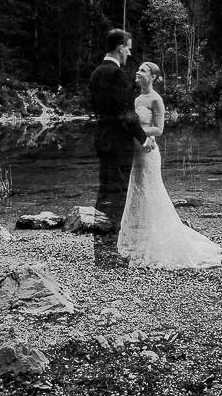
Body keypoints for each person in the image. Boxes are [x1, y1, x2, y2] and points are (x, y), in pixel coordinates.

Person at [118, 61, 222, 269]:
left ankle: (159, 243)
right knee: (137, 194)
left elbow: (158, 129)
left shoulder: (156, 99)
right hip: (136, 152)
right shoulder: (138, 99)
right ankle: (139, 241)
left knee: (151, 193)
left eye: (143, 71)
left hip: (149, 153)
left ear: (153, 77)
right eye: (138, 69)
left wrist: (136, 131)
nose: (137, 73)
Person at [88, 29, 152, 267]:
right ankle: (111, 248)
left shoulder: (96, 73)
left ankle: (101, 246)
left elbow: (99, 108)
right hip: (118, 141)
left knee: (105, 191)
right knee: (117, 191)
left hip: (102, 137)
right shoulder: (116, 74)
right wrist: (144, 138)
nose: (130, 52)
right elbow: (126, 113)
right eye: (129, 47)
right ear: (119, 48)